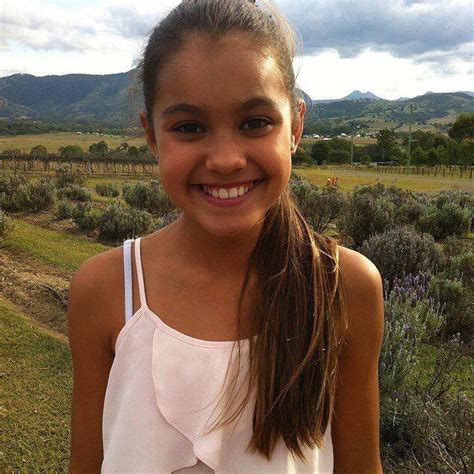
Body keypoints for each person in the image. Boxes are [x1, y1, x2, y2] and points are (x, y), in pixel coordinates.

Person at [67, 1, 384, 472]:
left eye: (255, 123)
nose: (225, 159)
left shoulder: (345, 286)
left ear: (295, 126)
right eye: (189, 127)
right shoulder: (107, 289)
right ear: (151, 136)